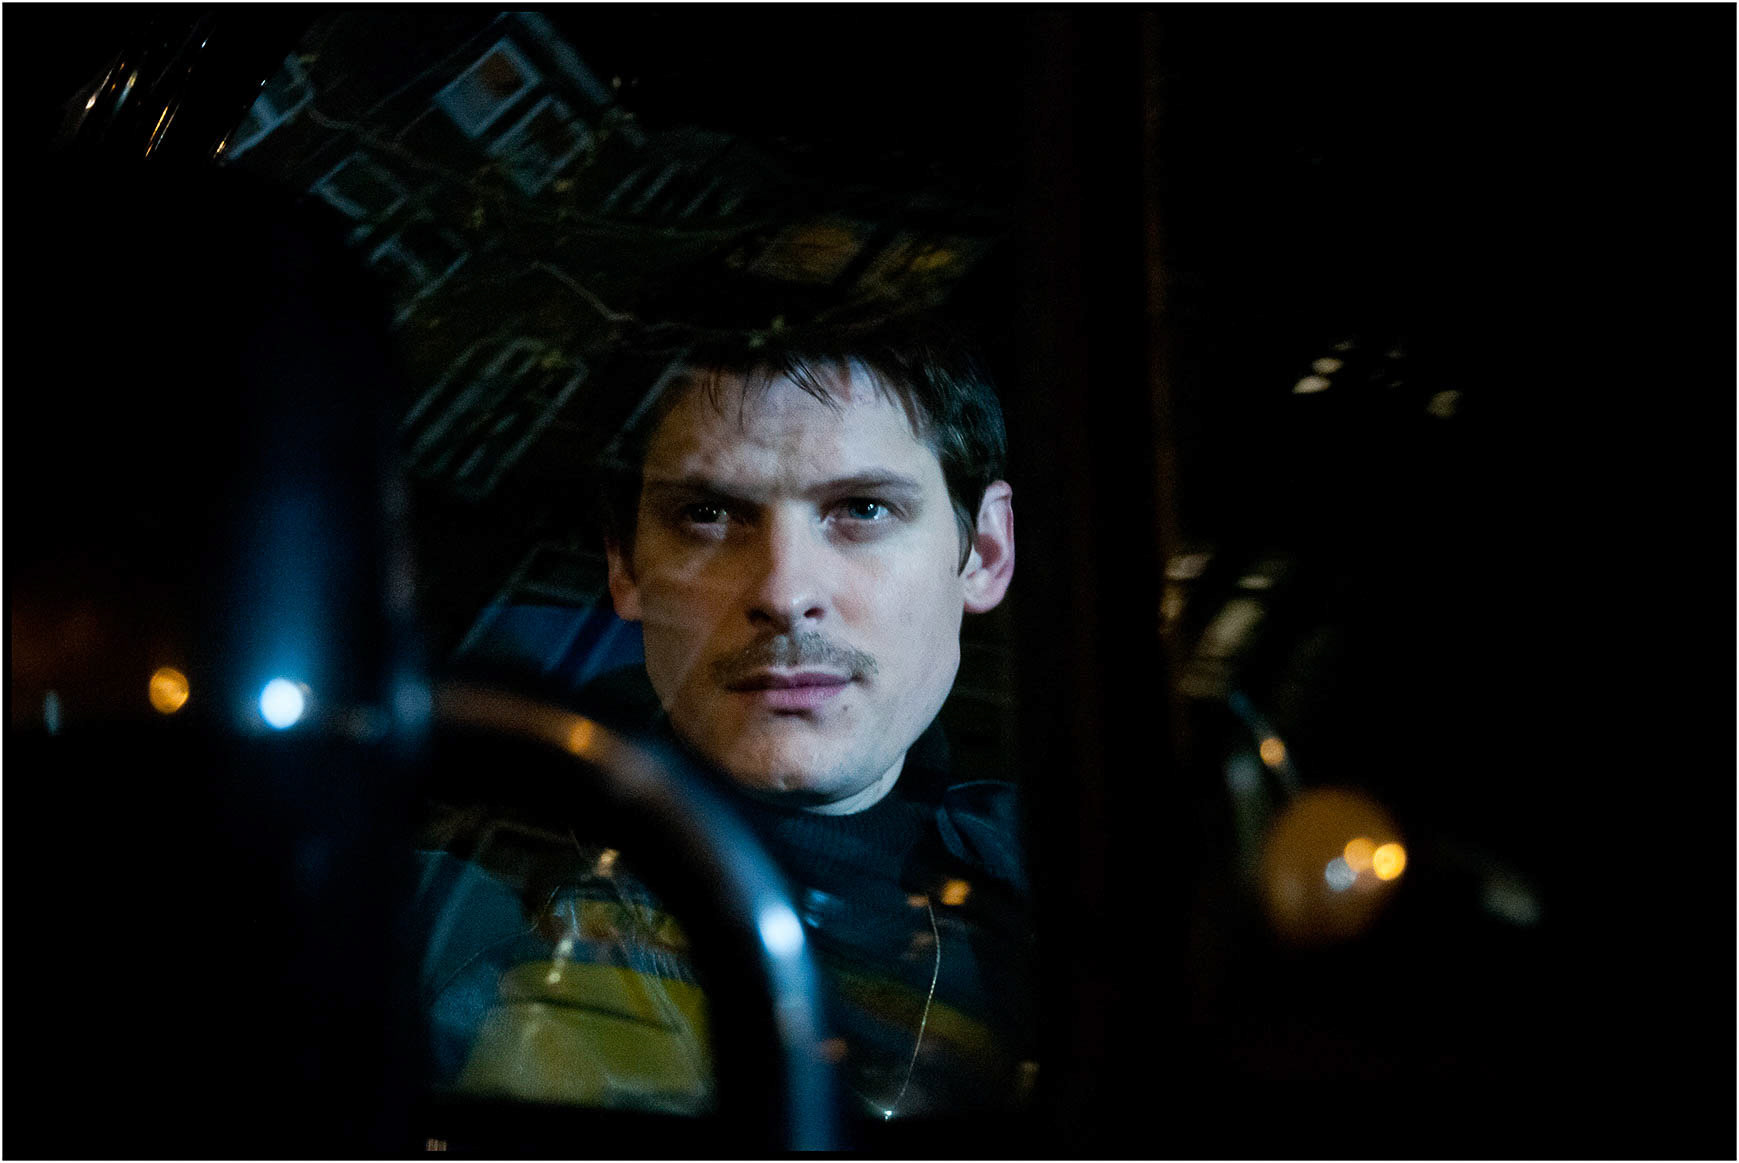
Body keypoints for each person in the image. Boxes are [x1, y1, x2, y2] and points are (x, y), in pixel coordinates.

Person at [413, 315, 1033, 1126]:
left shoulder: (1088, 892)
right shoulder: (451, 916)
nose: (783, 590)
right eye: (708, 513)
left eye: (863, 507)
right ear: (625, 564)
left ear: (983, 551)